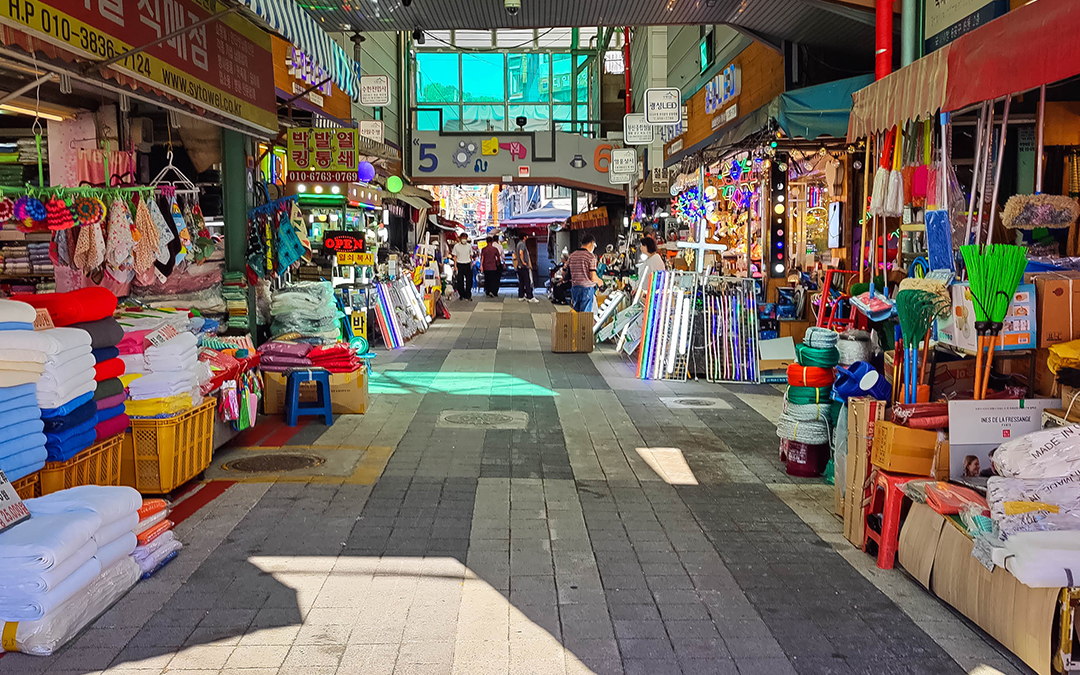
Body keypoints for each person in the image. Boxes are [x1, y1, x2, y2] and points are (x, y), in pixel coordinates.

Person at [568, 234, 602, 312]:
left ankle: (576, 324)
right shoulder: (591, 256)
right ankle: (583, 325)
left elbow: (565, 273)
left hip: (575, 288)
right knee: (585, 316)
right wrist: (600, 282)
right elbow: (593, 277)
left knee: (576, 313)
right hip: (586, 289)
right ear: (591, 243)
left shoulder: (572, 256)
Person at [515, 235, 539, 303]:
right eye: (526, 236)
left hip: (519, 266)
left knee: (521, 282)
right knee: (527, 281)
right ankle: (529, 296)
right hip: (523, 266)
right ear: (524, 237)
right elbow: (521, 252)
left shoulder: (518, 244)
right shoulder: (522, 244)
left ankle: (521, 296)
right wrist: (523, 262)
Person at [451, 233, 474, 301]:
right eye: (463, 237)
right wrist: (455, 266)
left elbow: (471, 255)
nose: (464, 239)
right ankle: (462, 294)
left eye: (465, 238)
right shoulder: (456, 246)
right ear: (460, 238)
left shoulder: (469, 246)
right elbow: (455, 257)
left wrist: (470, 263)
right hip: (459, 264)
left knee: (469, 281)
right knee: (460, 281)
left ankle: (468, 294)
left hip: (467, 264)